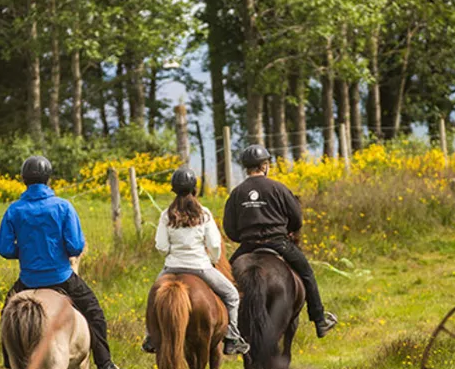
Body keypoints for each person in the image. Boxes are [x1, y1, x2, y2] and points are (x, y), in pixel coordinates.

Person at [0, 155, 125, 369]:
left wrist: (26, 252)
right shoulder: (63, 207)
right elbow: (75, 246)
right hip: (62, 278)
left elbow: (4, 249)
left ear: (24, 179)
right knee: (94, 313)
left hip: (28, 281)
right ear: (48, 179)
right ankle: (106, 366)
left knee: (6, 316)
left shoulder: (14, 210)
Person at [223, 144, 338, 337]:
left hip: (248, 246)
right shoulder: (278, 188)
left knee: (224, 280)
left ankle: (228, 330)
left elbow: (230, 228)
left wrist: (242, 238)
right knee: (307, 273)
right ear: (265, 165)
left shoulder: (236, 193)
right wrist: (287, 231)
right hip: (278, 243)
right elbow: (297, 219)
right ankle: (319, 320)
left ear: (246, 168)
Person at [141, 167, 252, 356]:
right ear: (194, 188)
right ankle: (232, 337)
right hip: (200, 267)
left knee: (153, 299)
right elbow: (215, 244)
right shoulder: (204, 213)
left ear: (173, 189)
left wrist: (171, 253)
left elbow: (160, 245)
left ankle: (151, 336)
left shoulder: (166, 214)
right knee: (232, 295)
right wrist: (214, 259)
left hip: (172, 267)